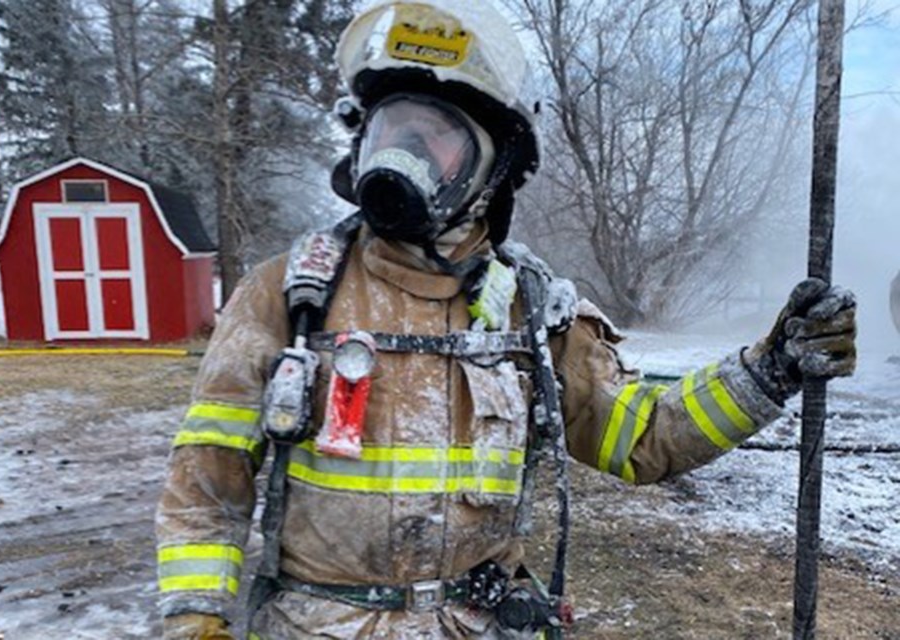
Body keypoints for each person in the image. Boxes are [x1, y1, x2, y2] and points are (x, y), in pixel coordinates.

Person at [155, 2, 858, 638]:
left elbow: (643, 437)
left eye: (438, 138)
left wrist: (770, 371)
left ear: (492, 170)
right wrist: (195, 618)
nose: (406, 155)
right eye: (394, 128)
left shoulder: (530, 307)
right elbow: (207, 481)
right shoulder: (286, 294)